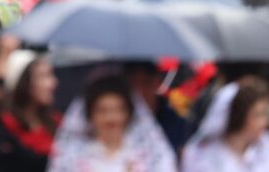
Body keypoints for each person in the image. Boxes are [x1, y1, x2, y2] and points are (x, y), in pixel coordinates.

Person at [48, 73, 177, 172]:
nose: (111, 118)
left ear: (128, 113)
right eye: (102, 110)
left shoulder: (148, 154)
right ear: (90, 114)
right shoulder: (73, 156)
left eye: (118, 110)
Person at [181, 78, 269, 172]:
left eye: (265, 114)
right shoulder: (203, 156)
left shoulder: (267, 145)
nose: (265, 122)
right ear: (240, 116)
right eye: (258, 115)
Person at [0, 51, 62, 172]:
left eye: (51, 75)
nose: (52, 83)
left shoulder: (57, 122)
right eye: (43, 76)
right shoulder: (6, 126)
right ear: (23, 82)